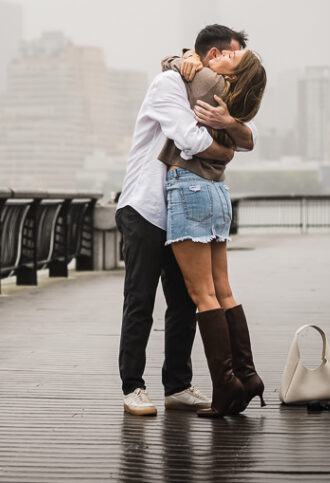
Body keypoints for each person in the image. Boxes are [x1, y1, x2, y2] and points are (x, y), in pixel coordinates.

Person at [117, 24, 257, 416]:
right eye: (233, 59)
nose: (235, 72)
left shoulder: (214, 89)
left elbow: (251, 134)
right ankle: (133, 386)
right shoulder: (169, 84)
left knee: (183, 303)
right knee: (140, 299)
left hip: (182, 211)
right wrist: (226, 151)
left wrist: (231, 125)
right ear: (213, 55)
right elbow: (188, 138)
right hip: (146, 207)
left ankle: (177, 385)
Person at [161, 46, 267, 417]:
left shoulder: (209, 81)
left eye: (230, 58)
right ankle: (246, 375)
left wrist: (181, 57)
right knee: (222, 290)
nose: (220, 56)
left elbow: (167, 65)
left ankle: (225, 385)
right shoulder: (234, 104)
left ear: (232, 76)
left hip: (189, 187)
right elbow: (248, 139)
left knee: (201, 293)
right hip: (218, 192)